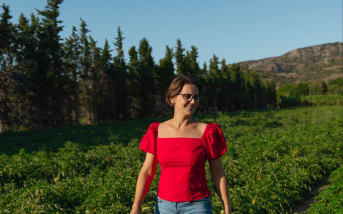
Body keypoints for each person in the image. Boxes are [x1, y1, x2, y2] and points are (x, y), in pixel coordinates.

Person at [130, 75, 232, 214]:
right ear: (172, 98)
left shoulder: (207, 132)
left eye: (196, 97)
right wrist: (136, 206)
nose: (192, 101)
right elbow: (147, 172)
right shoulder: (157, 131)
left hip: (197, 207)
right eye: (187, 96)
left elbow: (218, 172)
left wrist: (226, 206)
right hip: (164, 207)